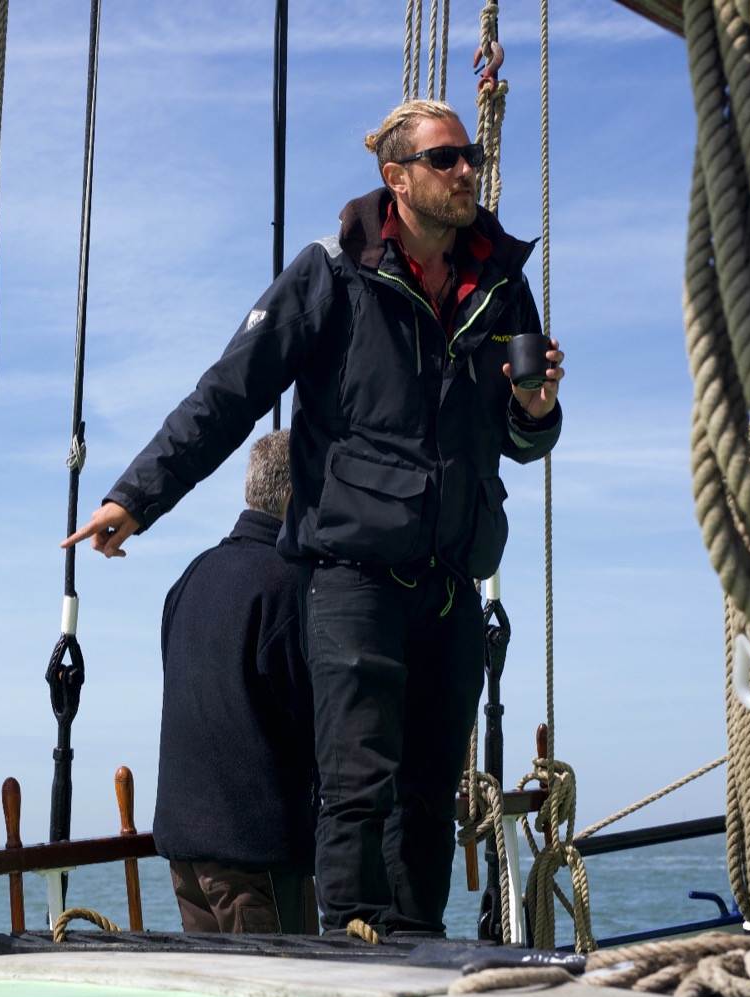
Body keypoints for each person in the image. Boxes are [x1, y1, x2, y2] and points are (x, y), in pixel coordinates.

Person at [64, 99, 565, 935]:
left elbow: (522, 441)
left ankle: (417, 955)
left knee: (430, 795)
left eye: (470, 155)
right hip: (355, 574)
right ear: (396, 177)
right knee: (360, 789)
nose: (468, 170)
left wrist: (537, 410)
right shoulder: (331, 273)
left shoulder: (502, 287)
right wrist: (138, 496)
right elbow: (230, 393)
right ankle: (360, 950)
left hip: (451, 580)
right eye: (446, 159)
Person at [153, 430, 317, 934]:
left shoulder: (191, 575)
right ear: (294, 497)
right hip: (256, 853)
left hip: (185, 847)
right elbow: (312, 716)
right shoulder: (290, 584)